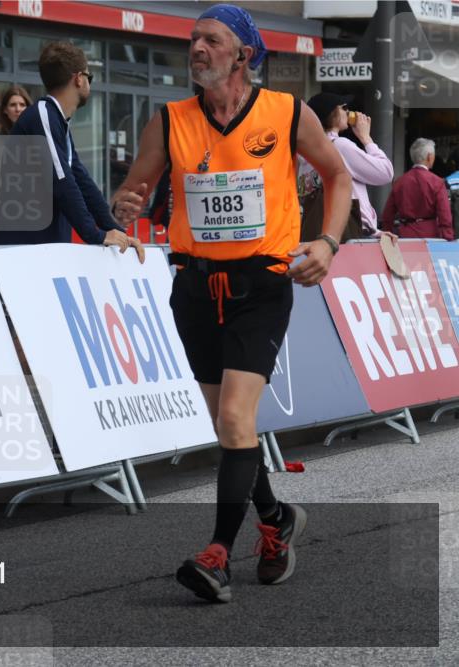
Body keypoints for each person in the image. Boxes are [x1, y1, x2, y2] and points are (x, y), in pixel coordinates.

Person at [112, 4, 352, 603]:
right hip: (194, 288)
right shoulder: (169, 120)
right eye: (193, 39)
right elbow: (134, 189)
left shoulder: (286, 113)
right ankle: (275, 522)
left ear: (243, 54)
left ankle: (217, 555)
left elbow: (339, 178)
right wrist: (124, 208)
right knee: (228, 426)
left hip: (262, 286)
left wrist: (327, 241)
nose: (196, 48)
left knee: (237, 420)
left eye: (211, 41)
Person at [0, 41, 143, 257]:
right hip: (23, 251)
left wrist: (117, 232)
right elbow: (62, 180)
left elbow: (81, 180)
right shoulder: (42, 114)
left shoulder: (58, 120)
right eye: (89, 78)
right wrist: (95, 234)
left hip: (44, 248)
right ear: (79, 78)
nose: (90, 84)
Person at [302, 93, 394, 239]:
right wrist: (366, 138)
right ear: (331, 113)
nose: (348, 111)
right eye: (343, 107)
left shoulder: (306, 153)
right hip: (350, 232)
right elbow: (385, 172)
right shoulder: (340, 146)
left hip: (319, 233)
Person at [380, 138, 454, 240]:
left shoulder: (399, 182)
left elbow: (387, 216)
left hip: (404, 236)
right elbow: (445, 216)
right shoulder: (437, 182)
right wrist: (447, 238)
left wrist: (388, 236)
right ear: (429, 157)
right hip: (431, 237)